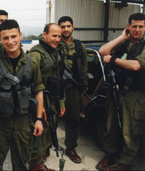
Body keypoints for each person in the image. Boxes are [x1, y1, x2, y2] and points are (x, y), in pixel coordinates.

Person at [0, 19, 45, 171]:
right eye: (6, 38)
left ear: (20, 35)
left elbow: (39, 90)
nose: (10, 41)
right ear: (0, 39)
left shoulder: (31, 63)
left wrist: (39, 119)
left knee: (21, 163)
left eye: (13, 36)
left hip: (23, 122)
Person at [96, 13, 145, 171]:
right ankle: (109, 155)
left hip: (135, 95)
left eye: (141, 26)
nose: (137, 30)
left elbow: (135, 66)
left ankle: (126, 162)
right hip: (116, 91)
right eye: (134, 26)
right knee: (112, 126)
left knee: (130, 130)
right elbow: (103, 51)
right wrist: (122, 37)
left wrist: (113, 60)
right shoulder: (124, 44)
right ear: (128, 26)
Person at [28, 23, 66, 171]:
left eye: (59, 36)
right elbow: (29, 82)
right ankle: (34, 165)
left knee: (50, 129)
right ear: (44, 35)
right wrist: (40, 105)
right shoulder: (36, 54)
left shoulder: (55, 52)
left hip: (53, 100)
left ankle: (39, 162)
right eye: (54, 35)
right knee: (38, 134)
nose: (57, 39)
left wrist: (61, 102)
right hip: (41, 101)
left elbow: (60, 79)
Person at [58, 16, 88, 163]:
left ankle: (70, 147)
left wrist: (82, 86)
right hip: (56, 87)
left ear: (73, 27)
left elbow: (84, 66)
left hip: (73, 88)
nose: (65, 29)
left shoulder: (79, 45)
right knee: (51, 118)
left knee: (73, 119)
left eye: (68, 26)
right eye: (62, 26)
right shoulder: (55, 43)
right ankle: (44, 148)